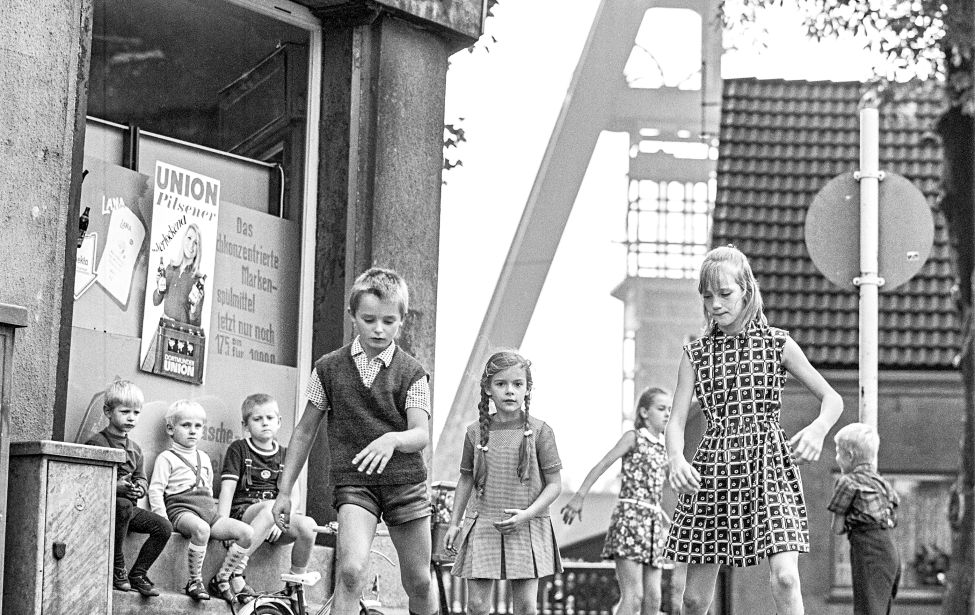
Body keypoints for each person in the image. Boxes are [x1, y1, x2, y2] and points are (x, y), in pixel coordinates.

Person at [665, 245, 844, 615]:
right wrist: (675, 458)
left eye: (725, 294)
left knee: (786, 578)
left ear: (746, 289)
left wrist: (818, 429)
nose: (715, 304)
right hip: (714, 470)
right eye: (707, 296)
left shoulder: (777, 343)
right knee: (695, 600)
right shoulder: (695, 354)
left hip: (769, 466)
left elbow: (832, 398)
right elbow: (676, 420)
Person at [271, 267, 440, 615]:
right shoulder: (328, 369)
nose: (379, 329)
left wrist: (392, 440)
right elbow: (304, 431)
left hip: (404, 484)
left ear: (402, 321)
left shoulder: (413, 373)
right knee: (350, 572)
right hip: (355, 484)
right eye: (369, 319)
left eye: (389, 321)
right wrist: (284, 491)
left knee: (419, 581)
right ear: (352, 317)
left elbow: (420, 434)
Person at [444, 350, 563, 615]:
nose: (510, 391)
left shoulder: (541, 431)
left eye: (517, 384)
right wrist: (454, 523)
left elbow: (555, 484)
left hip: (526, 525)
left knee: (526, 608)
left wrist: (526, 515)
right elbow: (466, 479)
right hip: (483, 523)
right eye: (501, 384)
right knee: (475, 606)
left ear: (527, 389)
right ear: (488, 389)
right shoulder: (474, 432)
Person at [561, 386, 675, 615]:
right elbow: (603, 464)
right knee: (634, 597)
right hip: (630, 521)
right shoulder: (634, 437)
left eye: (669, 410)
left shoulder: (665, 446)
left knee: (654, 599)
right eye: (661, 409)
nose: (666, 414)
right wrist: (579, 496)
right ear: (644, 413)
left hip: (652, 523)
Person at [148, 399, 254, 602]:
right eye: (186, 425)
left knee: (246, 533)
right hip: (182, 511)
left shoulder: (204, 458)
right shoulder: (166, 458)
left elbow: (207, 489)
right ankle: (194, 581)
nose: (193, 431)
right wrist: (162, 518)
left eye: (198, 426)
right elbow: (156, 490)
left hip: (208, 514)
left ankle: (223, 577)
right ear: (171, 429)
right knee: (202, 530)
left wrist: (219, 518)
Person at [217, 393, 318, 602]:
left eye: (270, 418)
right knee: (272, 506)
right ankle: (234, 571)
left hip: (274, 520)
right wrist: (223, 526)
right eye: (257, 419)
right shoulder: (239, 449)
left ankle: (294, 585)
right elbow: (227, 490)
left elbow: (293, 497)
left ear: (279, 422)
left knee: (309, 525)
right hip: (245, 516)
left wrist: (276, 521)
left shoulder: (286, 455)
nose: (265, 423)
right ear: (245, 425)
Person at [86, 379, 172, 598]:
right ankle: (117, 567)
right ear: (108, 411)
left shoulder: (135, 449)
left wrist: (139, 489)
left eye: (136, 412)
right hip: (104, 508)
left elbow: (142, 478)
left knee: (163, 527)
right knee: (122, 504)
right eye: (125, 411)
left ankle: (138, 573)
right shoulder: (97, 443)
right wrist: (116, 487)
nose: (131, 417)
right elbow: (87, 481)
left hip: (127, 511)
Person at [827, 422, 900, 615]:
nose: (836, 458)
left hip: (867, 549)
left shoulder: (847, 482)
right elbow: (893, 512)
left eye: (838, 453)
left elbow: (837, 528)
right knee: (880, 607)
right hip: (889, 549)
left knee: (866, 607)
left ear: (849, 456)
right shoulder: (883, 483)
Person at [152, 223, 205, 326]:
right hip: (164, 328)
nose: (191, 245)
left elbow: (196, 325)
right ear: (183, 239)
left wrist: (194, 308)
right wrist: (158, 288)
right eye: (189, 238)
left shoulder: (197, 280)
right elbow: (155, 301)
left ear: (198, 248)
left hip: (180, 337)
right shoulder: (170, 268)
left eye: (196, 243)